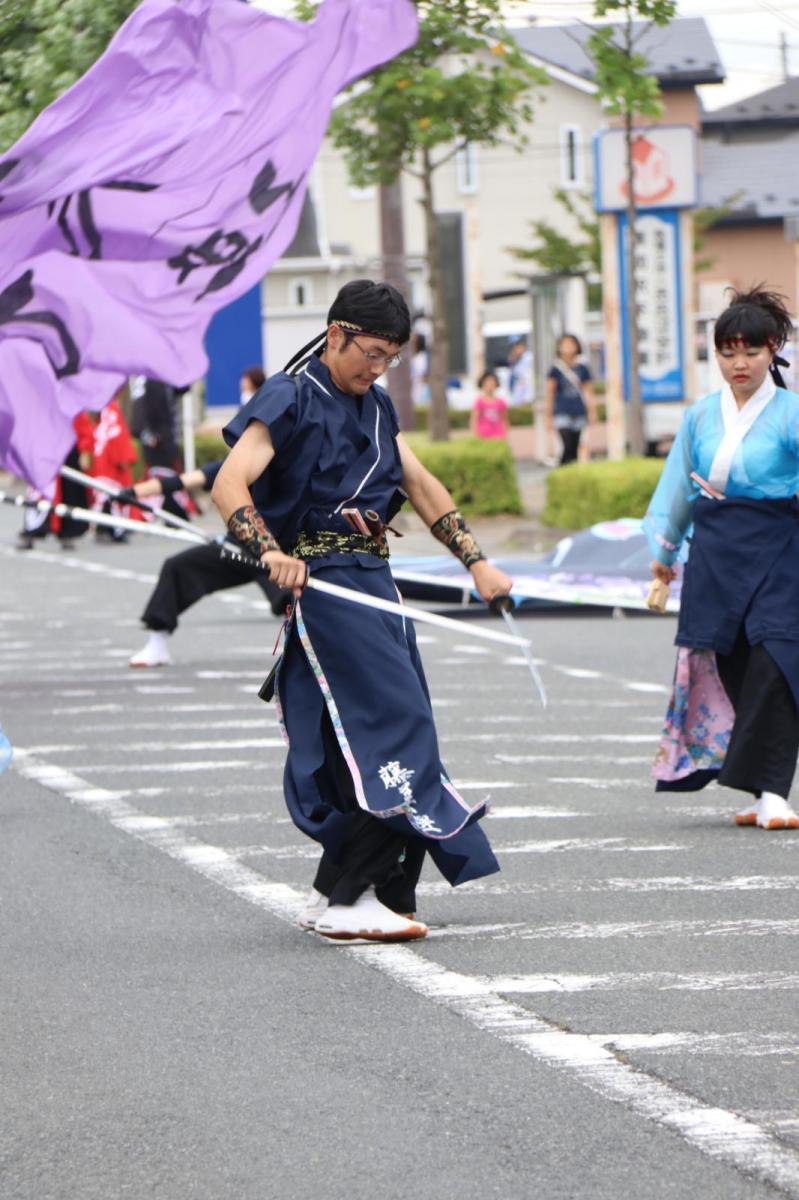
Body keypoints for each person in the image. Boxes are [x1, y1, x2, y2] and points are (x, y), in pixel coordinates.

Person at [212, 279, 512, 942]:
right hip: (324, 589)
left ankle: (335, 892)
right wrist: (270, 552)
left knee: (355, 737)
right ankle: (355, 897)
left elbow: (420, 485)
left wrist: (477, 561)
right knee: (395, 729)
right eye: (369, 352)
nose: (376, 368)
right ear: (336, 332)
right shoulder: (289, 396)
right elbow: (228, 481)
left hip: (374, 582)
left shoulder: (376, 408)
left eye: (389, 358)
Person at [645, 285, 799, 831]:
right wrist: (664, 554)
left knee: (776, 660)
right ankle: (763, 792)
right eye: (728, 351)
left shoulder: (792, 413)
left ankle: (776, 792)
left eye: (752, 352)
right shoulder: (700, 416)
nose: (739, 363)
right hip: (714, 551)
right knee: (730, 661)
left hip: (781, 547)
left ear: (774, 349)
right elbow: (678, 489)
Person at [126, 461, 291, 668]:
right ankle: (156, 645)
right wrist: (134, 492)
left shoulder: (291, 463)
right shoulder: (240, 461)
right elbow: (184, 481)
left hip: (283, 554)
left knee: (292, 599)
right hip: (238, 549)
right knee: (177, 567)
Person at [17, 413, 94, 551]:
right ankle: (31, 531)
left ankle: (67, 533)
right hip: (43, 450)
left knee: (68, 493)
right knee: (39, 493)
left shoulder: (70, 397)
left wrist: (85, 449)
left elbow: (82, 422)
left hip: (67, 451)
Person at [545, 334, 598, 466]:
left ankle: (569, 473)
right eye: (565, 344)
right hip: (561, 411)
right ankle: (563, 471)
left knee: (575, 446)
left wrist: (592, 411)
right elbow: (550, 393)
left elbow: (588, 391)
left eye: (571, 344)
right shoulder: (555, 369)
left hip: (578, 410)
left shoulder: (583, 369)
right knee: (566, 444)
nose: (568, 348)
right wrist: (548, 416)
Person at [470, 370, 509, 440]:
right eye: (487, 382)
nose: (490, 385)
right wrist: (476, 435)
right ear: (483, 385)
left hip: (498, 436)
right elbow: (474, 419)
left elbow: (504, 420)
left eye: (492, 382)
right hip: (483, 436)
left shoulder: (501, 402)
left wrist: (504, 435)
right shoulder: (479, 402)